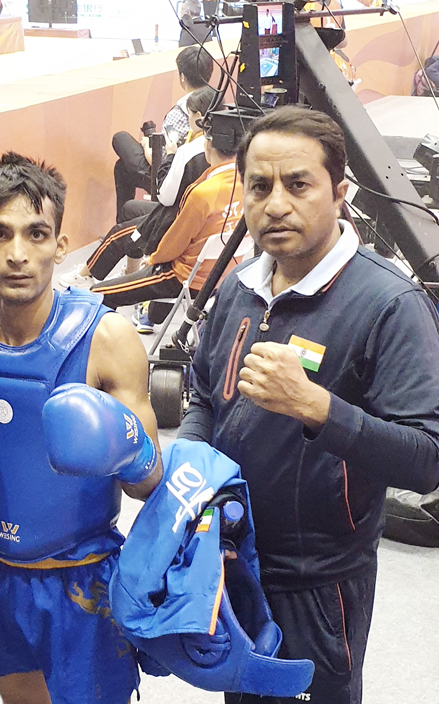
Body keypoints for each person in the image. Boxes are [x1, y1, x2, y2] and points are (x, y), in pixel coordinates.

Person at [177, 105, 439, 704]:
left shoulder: (390, 304)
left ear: (339, 193)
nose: (275, 204)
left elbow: (427, 459)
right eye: (260, 186)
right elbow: (202, 390)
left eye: (298, 185)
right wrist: (190, 464)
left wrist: (319, 408)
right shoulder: (239, 285)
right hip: (232, 561)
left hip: (319, 587)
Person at [0, 152, 163, 704]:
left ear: (60, 243)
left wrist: (119, 445)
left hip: (82, 579)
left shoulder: (108, 339)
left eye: (36, 234)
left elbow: (150, 483)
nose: (18, 254)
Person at [58, 85, 217, 293]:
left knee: (119, 233)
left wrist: (170, 154)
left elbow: (165, 195)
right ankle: (130, 270)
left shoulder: (188, 152)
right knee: (129, 206)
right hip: (190, 212)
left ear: (198, 117)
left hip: (176, 218)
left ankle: (84, 276)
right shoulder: (219, 147)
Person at [89, 125, 242, 318]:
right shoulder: (248, 183)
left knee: (96, 295)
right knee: (132, 213)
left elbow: (174, 242)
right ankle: (150, 315)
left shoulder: (203, 193)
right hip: (224, 276)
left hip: (186, 278)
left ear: (208, 144)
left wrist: (152, 259)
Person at [111, 45, 214, 223]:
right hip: (197, 175)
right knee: (122, 168)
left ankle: (123, 228)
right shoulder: (216, 102)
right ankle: (125, 228)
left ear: (182, 77)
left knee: (120, 139)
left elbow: (161, 159)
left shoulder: (182, 111)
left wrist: (146, 145)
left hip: (170, 179)